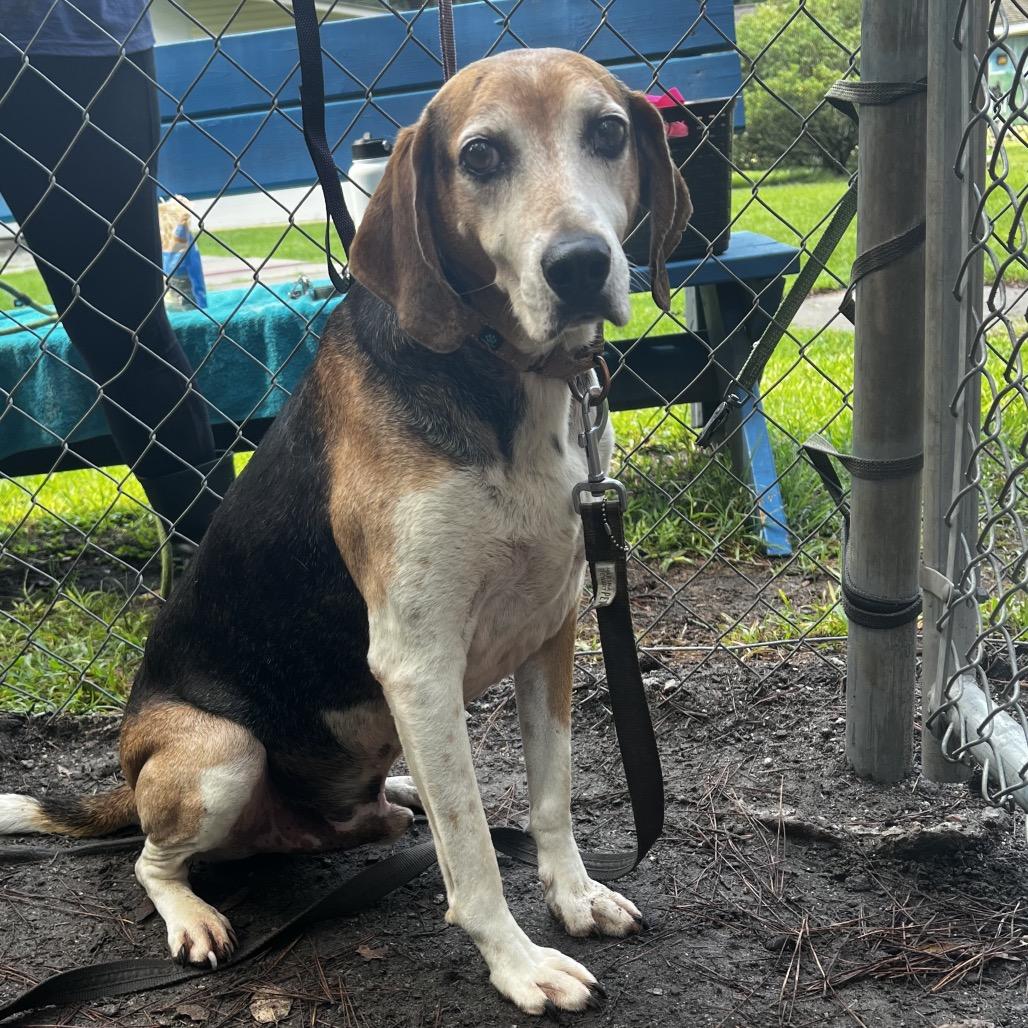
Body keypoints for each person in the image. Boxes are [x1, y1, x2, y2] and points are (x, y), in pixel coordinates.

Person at [0, 0, 233, 555]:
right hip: (73, 39)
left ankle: (216, 554)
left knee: (122, 326)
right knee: (124, 329)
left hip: (70, 37)